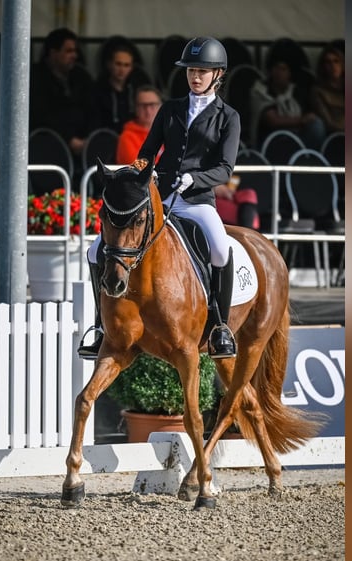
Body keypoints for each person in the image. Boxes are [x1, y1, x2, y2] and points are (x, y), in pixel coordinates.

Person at [79, 37, 240, 360]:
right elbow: (147, 152)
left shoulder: (228, 117)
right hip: (160, 198)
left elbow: (225, 168)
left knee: (221, 249)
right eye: (192, 70)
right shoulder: (170, 109)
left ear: (217, 74)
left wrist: (197, 178)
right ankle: (100, 327)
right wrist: (140, 171)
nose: (195, 76)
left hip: (196, 200)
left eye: (203, 71)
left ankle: (220, 327)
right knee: (96, 250)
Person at [29, 28, 96, 158]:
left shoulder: (81, 76)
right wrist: (69, 139)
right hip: (49, 144)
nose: (74, 56)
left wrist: (89, 138)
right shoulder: (35, 77)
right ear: (53, 53)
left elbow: (93, 110)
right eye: (68, 51)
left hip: (84, 144)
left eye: (75, 51)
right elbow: (40, 115)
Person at [248, 38, 325, 150]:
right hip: (270, 140)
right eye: (276, 68)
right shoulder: (260, 89)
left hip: (297, 138)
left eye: (283, 69)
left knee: (316, 125)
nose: (278, 73)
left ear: (290, 73)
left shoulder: (296, 91)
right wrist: (302, 120)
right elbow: (272, 120)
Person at [92, 44, 140, 134]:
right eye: (118, 64)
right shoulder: (97, 91)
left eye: (126, 65)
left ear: (131, 68)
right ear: (109, 64)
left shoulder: (135, 91)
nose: (122, 69)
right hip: (106, 140)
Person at [115, 85, 163, 165]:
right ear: (135, 108)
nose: (148, 110)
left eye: (152, 105)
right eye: (143, 105)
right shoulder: (126, 137)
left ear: (161, 107)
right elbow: (138, 168)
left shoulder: (169, 132)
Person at [310, 40, 345, 135]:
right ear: (323, 66)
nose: (333, 66)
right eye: (328, 62)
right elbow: (328, 123)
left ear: (343, 65)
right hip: (335, 136)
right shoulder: (318, 91)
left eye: (336, 61)